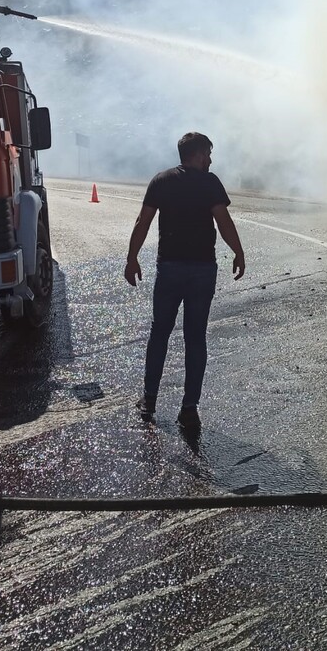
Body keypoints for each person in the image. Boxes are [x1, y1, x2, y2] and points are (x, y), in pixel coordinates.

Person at [125, 132, 245, 432]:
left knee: (160, 333)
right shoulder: (210, 182)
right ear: (197, 153)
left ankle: (149, 400)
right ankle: (189, 409)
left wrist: (132, 258)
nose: (210, 160)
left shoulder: (161, 181)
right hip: (203, 269)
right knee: (195, 337)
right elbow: (224, 221)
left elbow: (144, 221)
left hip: (170, 269)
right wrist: (238, 252)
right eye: (208, 154)